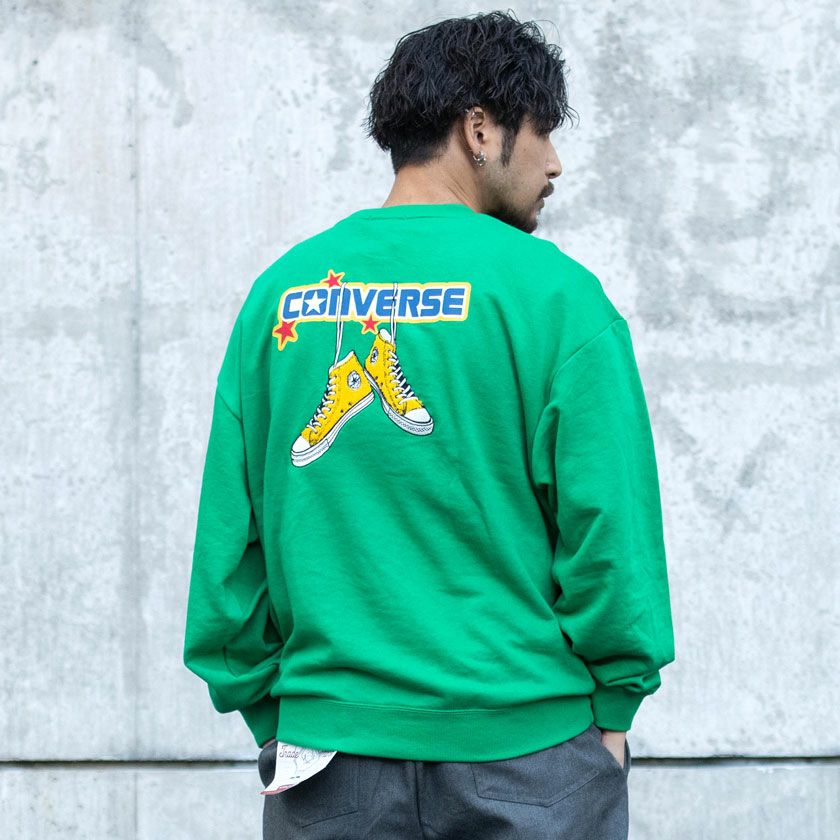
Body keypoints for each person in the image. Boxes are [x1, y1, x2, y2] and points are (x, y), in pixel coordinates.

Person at [182, 10, 676, 840]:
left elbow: (229, 549)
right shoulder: (557, 297)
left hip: (329, 761)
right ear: (479, 130)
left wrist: (273, 710)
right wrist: (616, 706)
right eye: (542, 131)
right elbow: (610, 538)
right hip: (529, 755)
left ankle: (365, 368)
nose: (554, 163)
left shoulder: (279, 296)